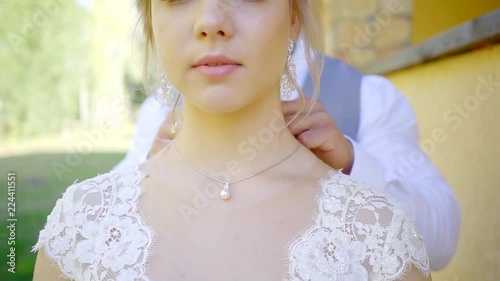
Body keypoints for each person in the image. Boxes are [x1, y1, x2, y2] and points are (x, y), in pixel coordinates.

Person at [32, 0, 432, 280]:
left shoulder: (378, 235)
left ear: (294, 17)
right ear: (151, 19)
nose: (210, 20)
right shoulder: (82, 226)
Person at [115, 16, 461, 275]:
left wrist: (353, 164)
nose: (213, 21)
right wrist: (151, 176)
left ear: (294, 15)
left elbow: (440, 244)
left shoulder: (368, 98)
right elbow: (106, 243)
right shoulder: (159, 113)